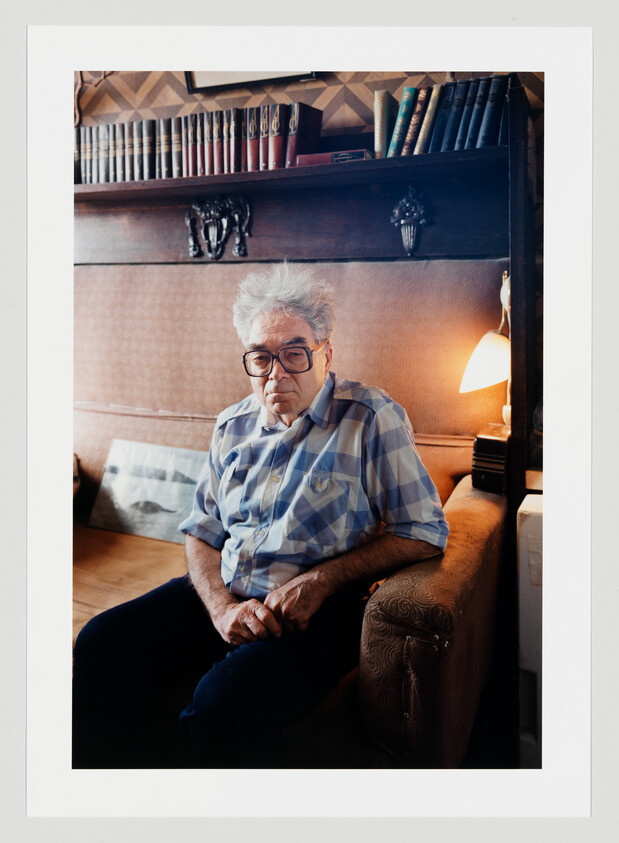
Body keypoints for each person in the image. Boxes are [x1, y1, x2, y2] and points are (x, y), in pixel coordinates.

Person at [72, 263, 449, 769]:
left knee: (221, 709)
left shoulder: (371, 419)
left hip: (316, 613)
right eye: (261, 357)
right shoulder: (232, 425)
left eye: (294, 353)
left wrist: (319, 582)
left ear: (325, 353)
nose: (278, 373)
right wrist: (221, 607)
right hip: (227, 593)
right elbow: (201, 531)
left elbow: (423, 531)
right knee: (100, 643)